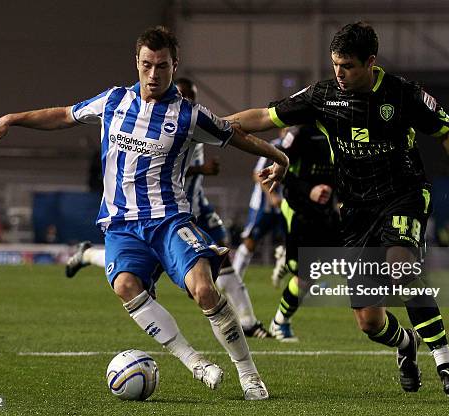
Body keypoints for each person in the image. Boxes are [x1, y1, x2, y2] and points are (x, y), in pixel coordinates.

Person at [0, 26, 289, 400]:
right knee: (126, 286)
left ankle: (248, 373)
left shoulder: (190, 115)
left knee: (205, 289)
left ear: (175, 65)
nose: (154, 75)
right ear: (137, 63)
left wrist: (279, 157)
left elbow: (236, 135)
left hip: (170, 220)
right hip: (122, 225)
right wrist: (12, 118)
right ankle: (194, 362)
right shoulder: (113, 101)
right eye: (147, 65)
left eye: (162, 66)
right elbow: (62, 115)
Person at [226, 22, 449, 397]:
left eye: (348, 65)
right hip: (355, 210)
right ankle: (406, 344)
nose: (339, 72)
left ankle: (446, 364)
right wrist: (215, 125)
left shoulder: (403, 94)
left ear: (371, 62)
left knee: (401, 265)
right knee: (369, 322)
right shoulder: (323, 96)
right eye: (335, 64)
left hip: (404, 194)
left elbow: (448, 133)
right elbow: (264, 117)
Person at [66, 77, 271, 339]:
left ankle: (249, 322)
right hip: (164, 216)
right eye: (185, 94)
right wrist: (201, 169)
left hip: (198, 208)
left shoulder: (191, 120)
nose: (187, 100)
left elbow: (231, 126)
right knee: (144, 272)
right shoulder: (155, 124)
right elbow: (158, 167)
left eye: (192, 96)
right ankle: (87, 254)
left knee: (224, 266)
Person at [267, 125, 341, 342]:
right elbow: (280, 171)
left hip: (326, 211)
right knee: (305, 276)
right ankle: (279, 322)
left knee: (345, 264)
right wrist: (310, 189)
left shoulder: (341, 125)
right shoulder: (300, 133)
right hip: (298, 210)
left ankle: (286, 261)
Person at [232, 135, 287, 281]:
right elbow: (258, 174)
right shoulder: (274, 146)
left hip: (286, 204)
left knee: (295, 239)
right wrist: (272, 196)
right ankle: (235, 278)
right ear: (282, 131)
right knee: (251, 240)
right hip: (264, 206)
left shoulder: (301, 145)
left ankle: (299, 279)